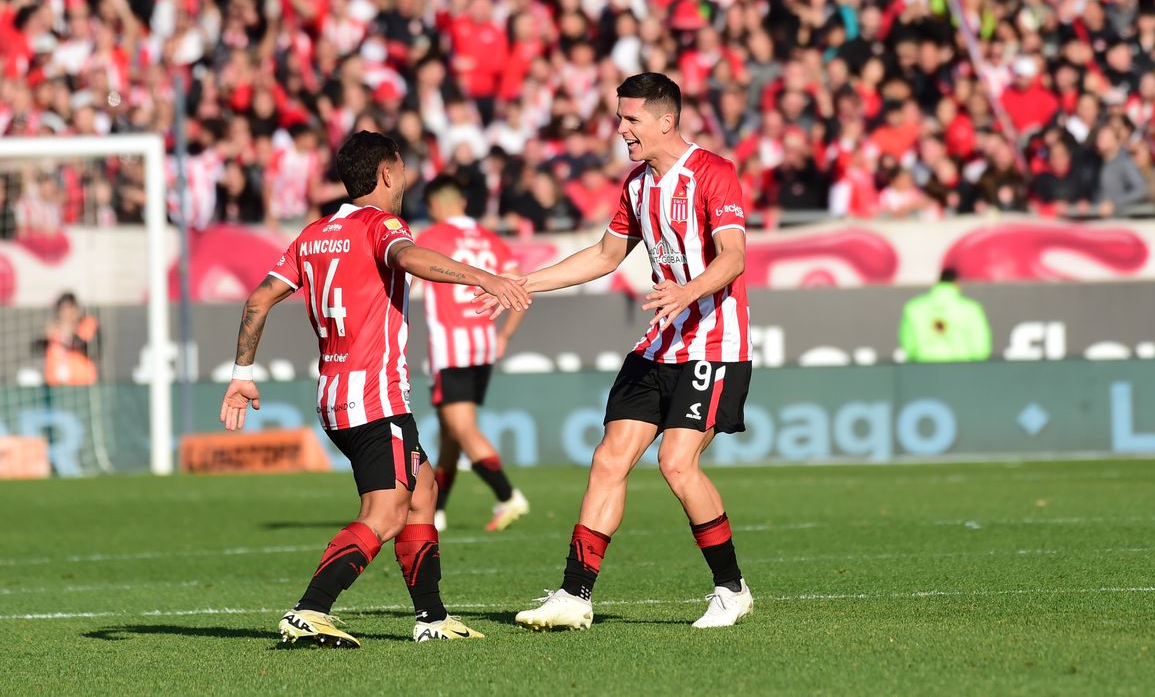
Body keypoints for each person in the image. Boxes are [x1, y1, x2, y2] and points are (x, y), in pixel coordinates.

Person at [219, 131, 530, 647]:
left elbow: (257, 300)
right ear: (387, 172)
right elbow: (408, 258)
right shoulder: (381, 224)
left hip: (336, 395)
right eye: (403, 168)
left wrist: (241, 373)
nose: (407, 177)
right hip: (374, 397)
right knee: (385, 512)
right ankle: (309, 610)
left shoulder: (313, 234)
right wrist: (483, 277)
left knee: (423, 491)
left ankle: (431, 618)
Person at [494, 72, 755, 631]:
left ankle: (731, 590)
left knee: (676, 462)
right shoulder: (637, 186)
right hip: (660, 343)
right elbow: (604, 255)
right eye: (620, 118)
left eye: (631, 119)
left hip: (714, 342)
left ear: (666, 120)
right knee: (609, 458)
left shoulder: (714, 173)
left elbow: (733, 257)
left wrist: (688, 290)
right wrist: (524, 283)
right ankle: (574, 595)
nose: (621, 129)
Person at [415, 174, 531, 533]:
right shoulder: (491, 240)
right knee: (451, 433)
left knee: (462, 429)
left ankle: (508, 495)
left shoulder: (431, 238)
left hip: (452, 347)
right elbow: (522, 291)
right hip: (482, 345)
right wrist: (505, 336)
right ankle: (437, 511)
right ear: (463, 202)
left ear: (434, 205)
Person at [898, 268, 993, 363]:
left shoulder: (913, 308)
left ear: (938, 282)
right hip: (962, 369)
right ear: (956, 284)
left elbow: (909, 348)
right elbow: (980, 350)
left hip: (923, 370)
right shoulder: (972, 309)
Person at [40, 292, 99, 387]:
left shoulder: (88, 324)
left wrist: (70, 335)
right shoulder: (55, 328)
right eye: (62, 310)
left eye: (68, 309)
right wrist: (45, 337)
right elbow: (37, 348)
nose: (65, 314)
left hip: (82, 385)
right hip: (56, 386)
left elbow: (93, 350)